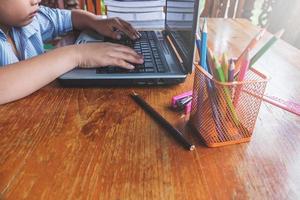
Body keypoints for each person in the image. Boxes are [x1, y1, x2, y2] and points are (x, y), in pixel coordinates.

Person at [0, 0, 144, 105]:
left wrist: (94, 21)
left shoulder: (28, 20)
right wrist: (76, 54)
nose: (37, 0)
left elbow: (68, 17)